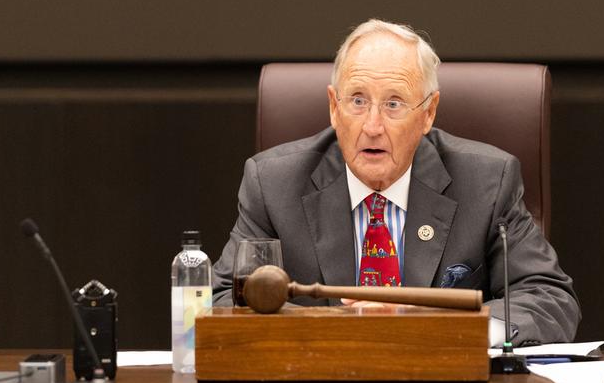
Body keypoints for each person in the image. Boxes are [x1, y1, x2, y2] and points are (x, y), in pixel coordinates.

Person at [212, 19, 580, 346]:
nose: (372, 127)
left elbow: (548, 299)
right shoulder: (274, 183)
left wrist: (434, 325)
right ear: (333, 107)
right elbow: (224, 297)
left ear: (428, 113)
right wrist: (331, 328)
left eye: (394, 104)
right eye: (357, 101)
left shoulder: (486, 181)